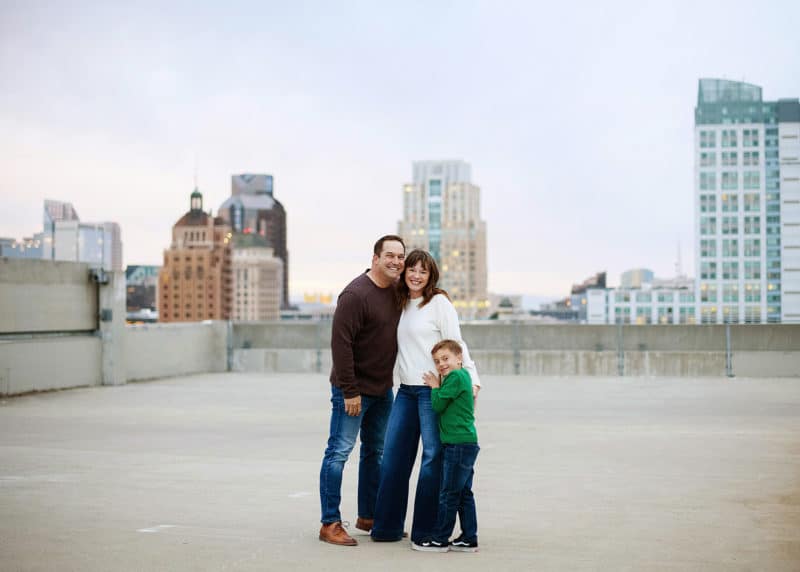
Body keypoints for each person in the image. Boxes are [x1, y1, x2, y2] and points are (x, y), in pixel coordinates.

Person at [370, 249, 480, 545]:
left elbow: (456, 344)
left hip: (433, 392)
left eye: (423, 271)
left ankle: (426, 532)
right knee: (393, 459)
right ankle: (387, 528)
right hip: (405, 391)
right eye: (412, 270)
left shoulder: (439, 303)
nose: (416, 276)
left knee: (433, 459)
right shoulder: (399, 302)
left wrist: (472, 379)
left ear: (431, 276)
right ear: (404, 272)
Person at [318, 235, 406, 547]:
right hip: (352, 391)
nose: (396, 261)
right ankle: (329, 522)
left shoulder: (397, 291)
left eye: (400, 256)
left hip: (383, 390)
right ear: (375, 258)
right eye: (389, 256)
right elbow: (340, 346)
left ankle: (368, 516)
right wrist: (349, 391)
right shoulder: (355, 295)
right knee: (338, 453)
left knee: (375, 453)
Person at [416, 339, 480, 553]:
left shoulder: (455, 377)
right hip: (466, 443)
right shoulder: (461, 377)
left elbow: (437, 405)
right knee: (463, 493)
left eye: (446, 359)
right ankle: (469, 537)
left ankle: (440, 539)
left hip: (458, 445)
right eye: (437, 361)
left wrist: (435, 386)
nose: (441, 364)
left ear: (459, 358)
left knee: (449, 493)